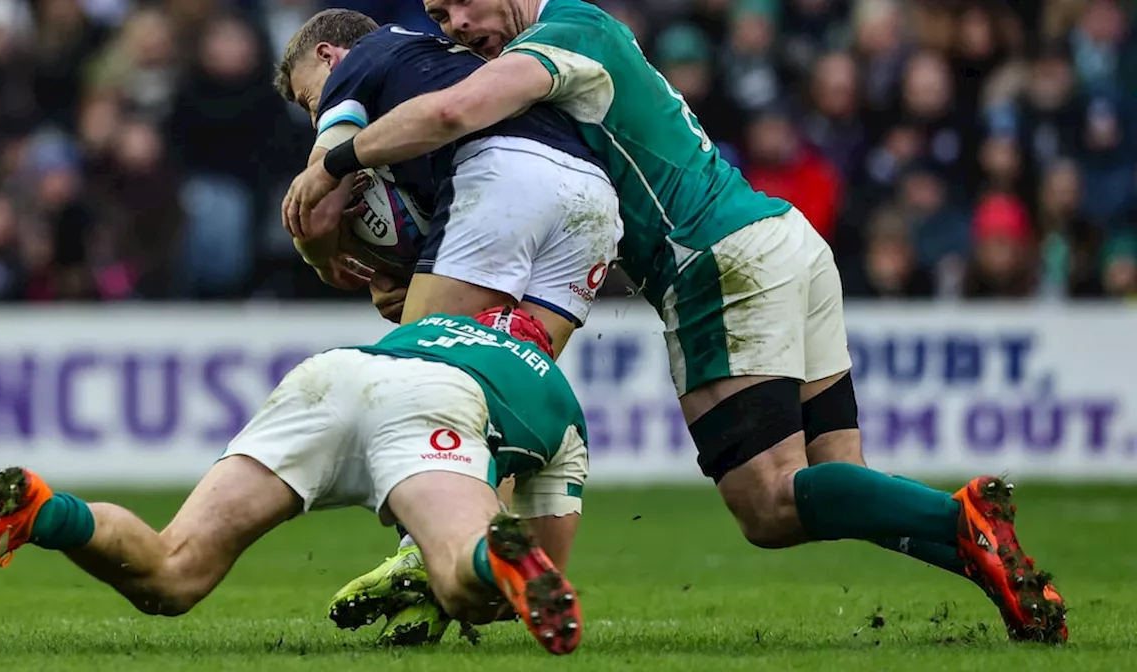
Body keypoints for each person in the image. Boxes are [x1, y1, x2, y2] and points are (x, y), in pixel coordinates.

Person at [283, 0, 1067, 644]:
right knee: (829, 482)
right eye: (436, 14)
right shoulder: (561, 51)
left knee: (767, 502)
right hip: (784, 241)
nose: (452, 23)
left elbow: (454, 109)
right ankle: (994, 560)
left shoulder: (569, 33)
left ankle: (956, 515)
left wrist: (334, 162)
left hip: (717, 259)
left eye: (458, 3)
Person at [0, 307, 589, 656]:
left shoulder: (440, 326)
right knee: (465, 582)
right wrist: (492, 569)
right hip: (432, 409)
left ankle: (42, 512)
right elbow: (546, 571)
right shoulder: (553, 389)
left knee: (172, 573)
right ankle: (479, 551)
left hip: (333, 374)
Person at [277, 10, 622, 358]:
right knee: (507, 378)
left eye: (309, 100)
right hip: (592, 197)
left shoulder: (356, 64)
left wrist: (324, 261)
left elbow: (317, 212)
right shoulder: (432, 58)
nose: (314, 119)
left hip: (505, 172)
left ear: (327, 56)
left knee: (422, 376)